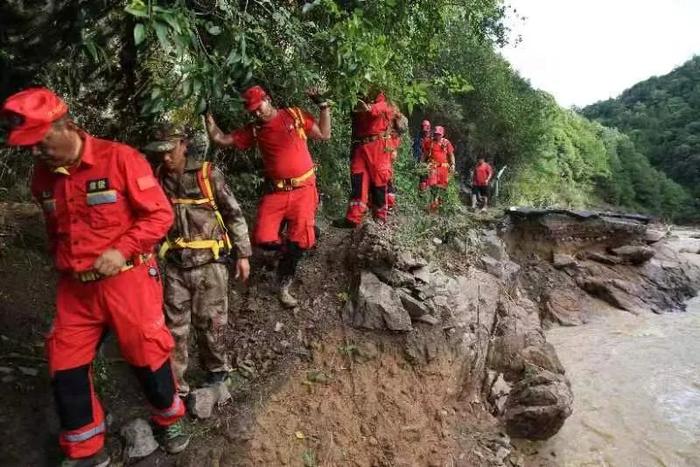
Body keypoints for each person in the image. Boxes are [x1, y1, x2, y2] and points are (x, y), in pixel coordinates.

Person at [1, 87, 188, 466]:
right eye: (29, 146)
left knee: (146, 353)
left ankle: (169, 419)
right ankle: (86, 450)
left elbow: (159, 216)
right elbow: (56, 231)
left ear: (65, 125)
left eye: (40, 142)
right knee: (63, 362)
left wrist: (121, 250)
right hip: (76, 290)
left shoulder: (119, 159)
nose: (35, 152)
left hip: (128, 280)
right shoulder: (43, 179)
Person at [144, 123, 252, 396]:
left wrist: (243, 254)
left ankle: (216, 372)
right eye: (160, 152)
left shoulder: (207, 174)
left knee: (211, 323)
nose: (165, 157)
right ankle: (175, 386)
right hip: (176, 265)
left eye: (170, 150)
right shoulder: (157, 177)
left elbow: (233, 214)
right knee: (174, 328)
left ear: (183, 144)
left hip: (210, 264)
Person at [205, 85, 331, 308]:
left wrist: (323, 106)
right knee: (262, 237)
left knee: (298, 240)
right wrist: (208, 117)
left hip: (304, 190)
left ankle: (284, 283)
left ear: (268, 99)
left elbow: (324, 133)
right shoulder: (254, 130)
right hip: (278, 192)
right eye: (252, 111)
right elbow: (222, 139)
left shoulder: (293, 115)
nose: (256, 113)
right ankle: (295, 244)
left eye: (258, 107)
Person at [336, 90, 404, 227]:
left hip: (378, 146)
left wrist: (368, 108)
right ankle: (353, 218)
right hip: (360, 146)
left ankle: (380, 217)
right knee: (358, 178)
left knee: (379, 181)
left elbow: (378, 110)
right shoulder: (357, 94)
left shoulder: (384, 100)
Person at [420, 125, 455, 211]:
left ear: (442, 134)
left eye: (439, 134)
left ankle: (437, 206)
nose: (437, 136)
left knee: (442, 188)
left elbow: (451, 155)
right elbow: (425, 154)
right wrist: (421, 163)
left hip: (443, 169)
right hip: (433, 167)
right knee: (432, 185)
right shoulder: (429, 142)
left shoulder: (446, 143)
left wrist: (453, 164)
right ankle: (430, 204)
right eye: (436, 134)